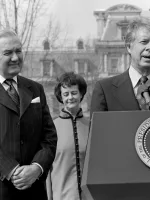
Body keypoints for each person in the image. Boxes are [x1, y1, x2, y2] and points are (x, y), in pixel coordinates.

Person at [0, 29, 57, 200]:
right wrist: (11, 170)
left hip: (35, 191)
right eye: (8, 53)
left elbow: (49, 137)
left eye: (18, 51)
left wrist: (37, 168)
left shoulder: (35, 89)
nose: (15, 57)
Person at [46, 72, 89, 200]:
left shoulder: (92, 126)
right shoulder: (51, 128)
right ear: (61, 97)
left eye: (74, 93)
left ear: (81, 94)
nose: (70, 97)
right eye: (66, 94)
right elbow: (47, 171)